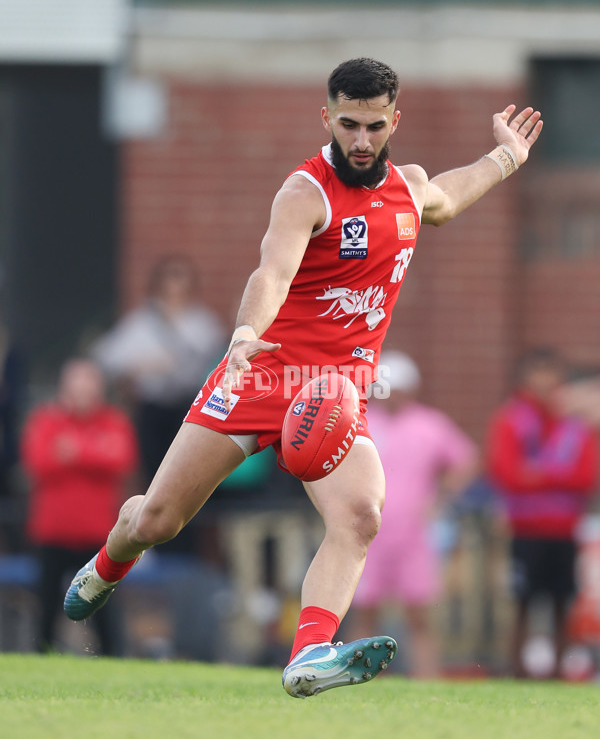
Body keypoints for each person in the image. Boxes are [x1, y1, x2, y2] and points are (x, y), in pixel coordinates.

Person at [64, 57, 543, 697]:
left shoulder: (407, 188)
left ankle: (310, 653)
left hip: (334, 395)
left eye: (374, 126)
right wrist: (241, 336)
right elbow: (271, 274)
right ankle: (106, 562)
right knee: (157, 520)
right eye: (348, 124)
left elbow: (448, 197)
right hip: (259, 376)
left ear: (394, 119)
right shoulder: (304, 193)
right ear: (327, 117)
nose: (362, 140)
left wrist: (505, 157)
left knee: (362, 515)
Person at [350, 351, 478, 678]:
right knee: (365, 611)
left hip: (413, 533)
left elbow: (465, 459)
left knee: (418, 613)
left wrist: (441, 498)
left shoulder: (429, 424)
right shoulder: (361, 420)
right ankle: (357, 678)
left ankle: (427, 678)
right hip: (368, 531)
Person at [486, 348, 599, 678]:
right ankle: (517, 669)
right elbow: (506, 473)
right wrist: (555, 475)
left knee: (563, 602)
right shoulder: (511, 419)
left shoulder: (576, 424)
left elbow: (585, 477)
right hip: (525, 528)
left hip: (564, 528)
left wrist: (536, 474)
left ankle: (561, 670)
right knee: (522, 600)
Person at [21, 358, 139, 654]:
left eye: (89, 382)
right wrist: (94, 450)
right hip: (52, 532)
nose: (84, 390)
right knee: (46, 608)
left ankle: (113, 662)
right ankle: (41, 658)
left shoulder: (114, 421)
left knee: (105, 612)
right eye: (77, 382)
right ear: (64, 387)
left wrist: (73, 450)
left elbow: (121, 459)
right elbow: (38, 462)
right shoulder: (44, 420)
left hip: (98, 534)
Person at [92, 255, 226, 486]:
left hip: (190, 406)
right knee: (153, 473)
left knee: (189, 472)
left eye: (181, 278)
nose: (176, 285)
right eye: (171, 277)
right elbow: (106, 356)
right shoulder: (143, 321)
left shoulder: (202, 322)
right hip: (152, 408)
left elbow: (218, 355)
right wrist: (141, 365)